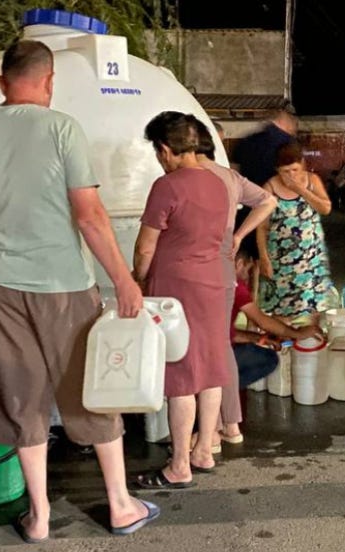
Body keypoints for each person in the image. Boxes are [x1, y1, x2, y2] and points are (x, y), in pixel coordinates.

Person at [0, 41, 157, 541]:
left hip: (1, 288)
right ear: (49, 81)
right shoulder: (61, 128)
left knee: (19, 394)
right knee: (86, 392)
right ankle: (120, 505)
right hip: (65, 288)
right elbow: (90, 216)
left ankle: (39, 516)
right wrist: (123, 279)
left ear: (2, 82)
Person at [133, 111, 231, 488]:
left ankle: (178, 464)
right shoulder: (217, 183)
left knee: (182, 376)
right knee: (210, 367)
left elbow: (145, 248)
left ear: (165, 149)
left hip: (176, 287)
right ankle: (204, 449)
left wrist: (137, 280)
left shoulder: (167, 186)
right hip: (212, 283)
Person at [192, 117, 277, 450]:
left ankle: (209, 435)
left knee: (207, 354)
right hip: (219, 270)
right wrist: (239, 236)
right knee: (219, 350)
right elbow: (268, 201)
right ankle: (229, 427)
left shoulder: (184, 179)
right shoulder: (229, 177)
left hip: (196, 273)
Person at [257, 142, 336, 321]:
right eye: (285, 171)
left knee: (314, 307)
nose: (291, 175)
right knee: (281, 308)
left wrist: (300, 189)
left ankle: (310, 342)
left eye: (294, 169)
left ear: (302, 165)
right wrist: (264, 258)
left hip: (311, 258)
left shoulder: (312, 180)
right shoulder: (269, 187)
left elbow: (325, 208)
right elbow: (261, 227)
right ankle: (282, 342)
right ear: (277, 170)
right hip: (281, 259)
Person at [232, 249, 324, 387]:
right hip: (212, 357)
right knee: (268, 359)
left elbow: (225, 333)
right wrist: (297, 333)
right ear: (239, 264)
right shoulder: (234, 285)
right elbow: (262, 321)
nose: (247, 277)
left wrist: (256, 337)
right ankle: (222, 391)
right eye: (248, 269)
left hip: (196, 351)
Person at [230, 102, 298, 186]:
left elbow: (233, 171)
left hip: (247, 194)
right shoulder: (289, 143)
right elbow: (296, 175)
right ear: (283, 119)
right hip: (278, 194)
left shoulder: (245, 141)